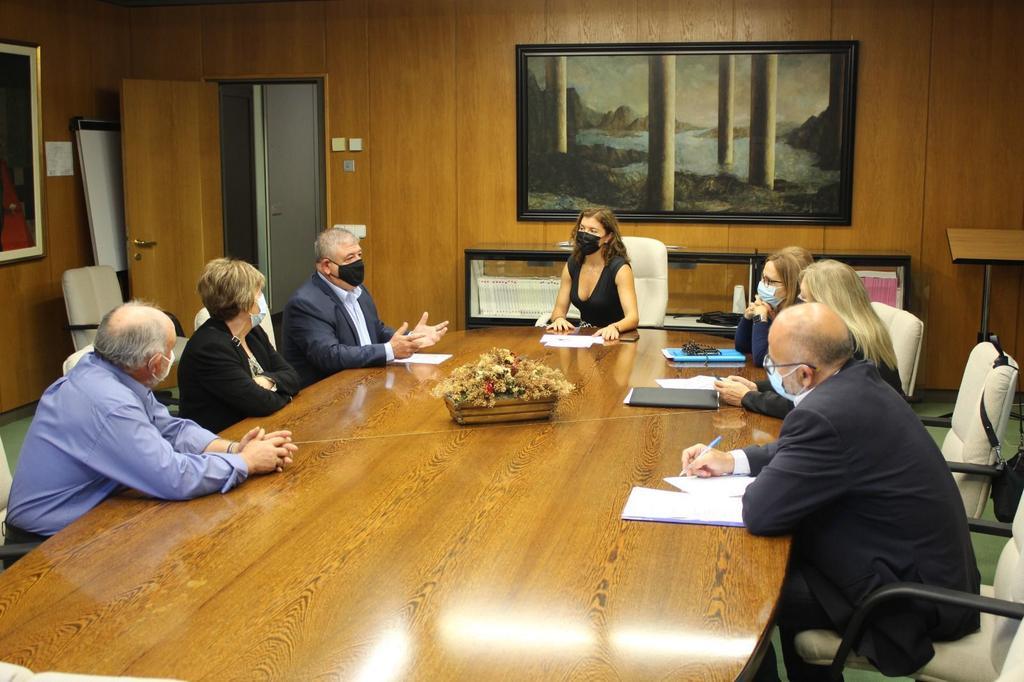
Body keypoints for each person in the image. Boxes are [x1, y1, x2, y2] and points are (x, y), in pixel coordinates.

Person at [682, 303, 979, 681]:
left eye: (774, 363)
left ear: (804, 374)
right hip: (924, 568)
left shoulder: (824, 414)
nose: (768, 370)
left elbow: (760, 511)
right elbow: (803, 450)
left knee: (730, 593)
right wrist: (734, 460)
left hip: (907, 599)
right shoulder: (858, 380)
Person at [4, 302, 297, 550]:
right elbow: (171, 476)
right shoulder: (110, 403)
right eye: (170, 350)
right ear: (156, 364)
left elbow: (170, 429)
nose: (173, 355)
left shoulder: (108, 369)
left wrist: (233, 448)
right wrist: (245, 463)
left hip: (97, 509)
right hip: (49, 543)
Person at [717, 259, 904, 418]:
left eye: (804, 298)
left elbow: (805, 404)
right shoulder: (863, 328)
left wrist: (748, 397)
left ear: (827, 302)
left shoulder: (844, 343)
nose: (799, 303)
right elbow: (806, 384)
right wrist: (756, 386)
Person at [281, 227, 449, 388]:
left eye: (359, 255)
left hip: (365, 385)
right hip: (326, 402)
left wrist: (412, 339)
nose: (358, 263)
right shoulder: (306, 303)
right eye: (349, 258)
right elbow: (330, 356)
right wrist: (390, 350)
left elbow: (376, 331)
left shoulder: (357, 289)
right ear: (326, 266)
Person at [179, 258, 301, 433]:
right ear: (243, 301)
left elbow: (293, 377)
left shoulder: (253, 333)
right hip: (221, 441)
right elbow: (261, 403)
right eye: (259, 292)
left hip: (257, 428)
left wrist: (266, 381)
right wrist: (285, 393)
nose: (262, 299)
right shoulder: (209, 347)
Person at [546, 207, 639, 341]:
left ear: (608, 237)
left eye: (593, 231)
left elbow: (633, 318)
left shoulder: (620, 269)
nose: (585, 235)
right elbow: (559, 310)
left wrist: (614, 327)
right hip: (585, 337)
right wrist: (559, 319)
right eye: (582, 229)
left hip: (616, 338)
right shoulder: (573, 263)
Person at [734, 246, 811, 367]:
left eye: (769, 281)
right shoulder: (774, 306)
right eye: (763, 278)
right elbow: (743, 346)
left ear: (791, 285)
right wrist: (748, 317)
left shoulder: (801, 316)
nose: (763, 285)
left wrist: (760, 318)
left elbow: (762, 359)